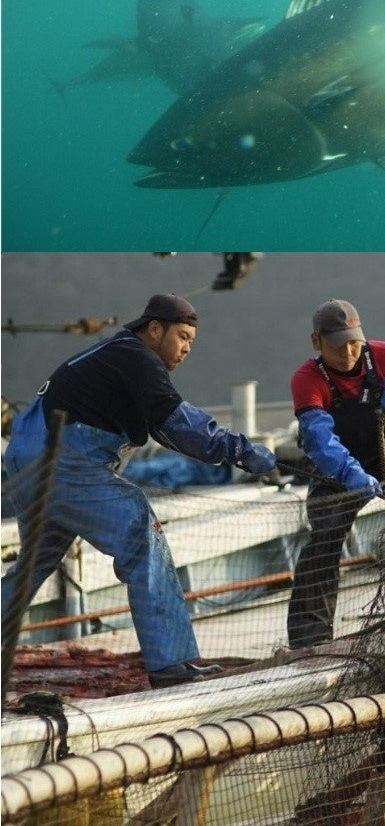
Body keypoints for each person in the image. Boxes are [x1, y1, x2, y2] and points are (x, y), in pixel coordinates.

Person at [0, 294, 277, 687]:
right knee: (140, 529)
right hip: (60, 459)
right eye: (181, 336)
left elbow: (168, 431)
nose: (185, 349)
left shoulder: (120, 357)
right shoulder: (138, 357)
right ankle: (170, 663)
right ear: (153, 329)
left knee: (33, 566)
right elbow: (177, 420)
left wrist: (230, 452)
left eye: (191, 342)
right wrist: (239, 449)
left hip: (30, 454)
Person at [286, 299, 385, 649]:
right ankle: (311, 638)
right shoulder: (307, 379)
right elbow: (321, 441)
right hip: (339, 465)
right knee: (324, 537)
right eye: (338, 345)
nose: (348, 352)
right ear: (316, 342)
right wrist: (352, 474)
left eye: (354, 342)